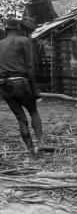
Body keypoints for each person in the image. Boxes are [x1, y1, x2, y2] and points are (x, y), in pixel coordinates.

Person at [0, 18, 49, 159]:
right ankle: (41, 142)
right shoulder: (23, 40)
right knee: (33, 111)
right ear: (18, 28)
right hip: (20, 83)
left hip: (4, 86)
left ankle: (32, 154)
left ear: (6, 29)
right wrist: (35, 88)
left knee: (21, 118)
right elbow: (29, 66)